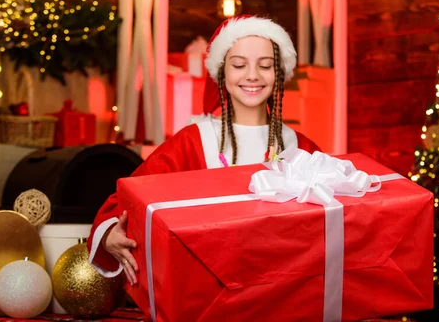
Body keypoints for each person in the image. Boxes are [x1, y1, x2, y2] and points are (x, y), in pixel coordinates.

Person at [87, 15, 321, 286]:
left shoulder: (299, 147)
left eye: (266, 65)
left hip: (285, 290)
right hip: (208, 289)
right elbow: (126, 200)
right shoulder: (194, 141)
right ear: (222, 72)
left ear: (279, 72)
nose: (253, 75)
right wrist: (109, 234)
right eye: (239, 65)